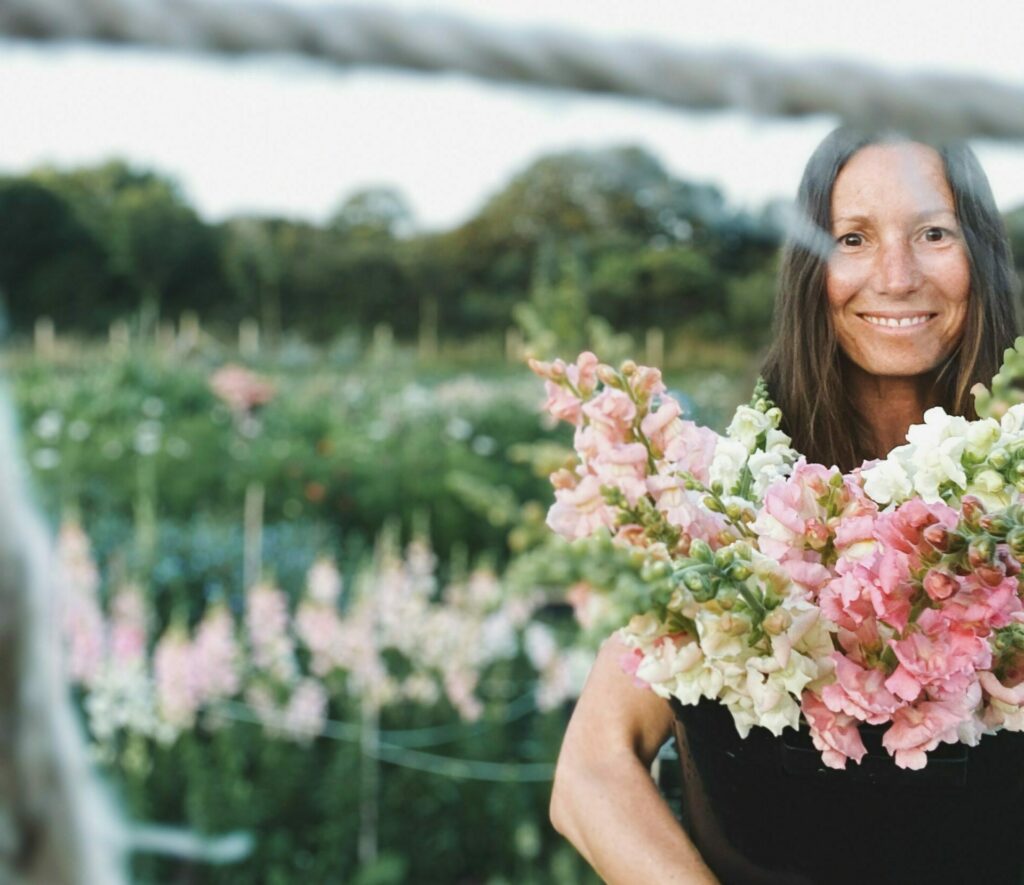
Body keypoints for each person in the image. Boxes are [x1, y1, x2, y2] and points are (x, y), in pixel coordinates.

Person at [548, 127, 1023, 885]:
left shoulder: (1016, 494)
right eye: (853, 238)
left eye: (934, 232)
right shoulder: (733, 499)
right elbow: (592, 771)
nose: (896, 276)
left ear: (983, 256)